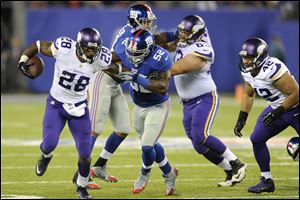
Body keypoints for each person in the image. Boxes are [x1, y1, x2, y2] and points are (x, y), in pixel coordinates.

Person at [87, 3, 178, 189]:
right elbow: (107, 60)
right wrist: (129, 71)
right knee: (95, 128)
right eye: (145, 21)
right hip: (105, 79)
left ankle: (99, 165)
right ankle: (82, 174)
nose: (149, 24)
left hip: (120, 84)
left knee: (122, 129)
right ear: (134, 21)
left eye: (149, 21)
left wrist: (177, 34)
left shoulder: (141, 35)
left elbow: (158, 39)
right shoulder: (128, 40)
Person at [17, 27, 112, 199]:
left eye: (95, 49)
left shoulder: (101, 59)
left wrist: (130, 73)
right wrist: (23, 59)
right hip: (56, 105)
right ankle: (46, 156)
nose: (92, 53)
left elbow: (113, 66)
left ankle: (81, 187)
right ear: (79, 46)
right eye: (88, 48)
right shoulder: (64, 48)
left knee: (85, 153)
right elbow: (38, 45)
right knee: (49, 143)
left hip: (79, 107)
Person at [171, 15, 247, 187]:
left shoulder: (203, 49)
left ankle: (237, 163)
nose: (182, 35)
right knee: (198, 145)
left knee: (201, 135)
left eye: (186, 32)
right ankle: (229, 170)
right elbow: (165, 40)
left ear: (197, 34)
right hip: (187, 102)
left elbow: (179, 68)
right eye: (181, 31)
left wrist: (157, 69)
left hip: (204, 97)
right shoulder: (185, 41)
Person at [116, 29, 178, 195]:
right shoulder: (126, 49)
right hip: (138, 106)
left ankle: (144, 174)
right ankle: (169, 173)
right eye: (131, 52)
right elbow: (111, 60)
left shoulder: (160, 58)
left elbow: (163, 88)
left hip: (157, 106)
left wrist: (138, 78)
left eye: (138, 53)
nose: (133, 56)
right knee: (152, 145)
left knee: (146, 146)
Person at [234, 37, 299, 194]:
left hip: (295, 108)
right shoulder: (247, 71)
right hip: (278, 108)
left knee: (295, 147)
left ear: (260, 57)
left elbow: (296, 93)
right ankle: (267, 180)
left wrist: (279, 111)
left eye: (249, 57)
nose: (246, 61)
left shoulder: (273, 68)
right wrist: (242, 117)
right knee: (257, 139)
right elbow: (249, 94)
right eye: (244, 57)